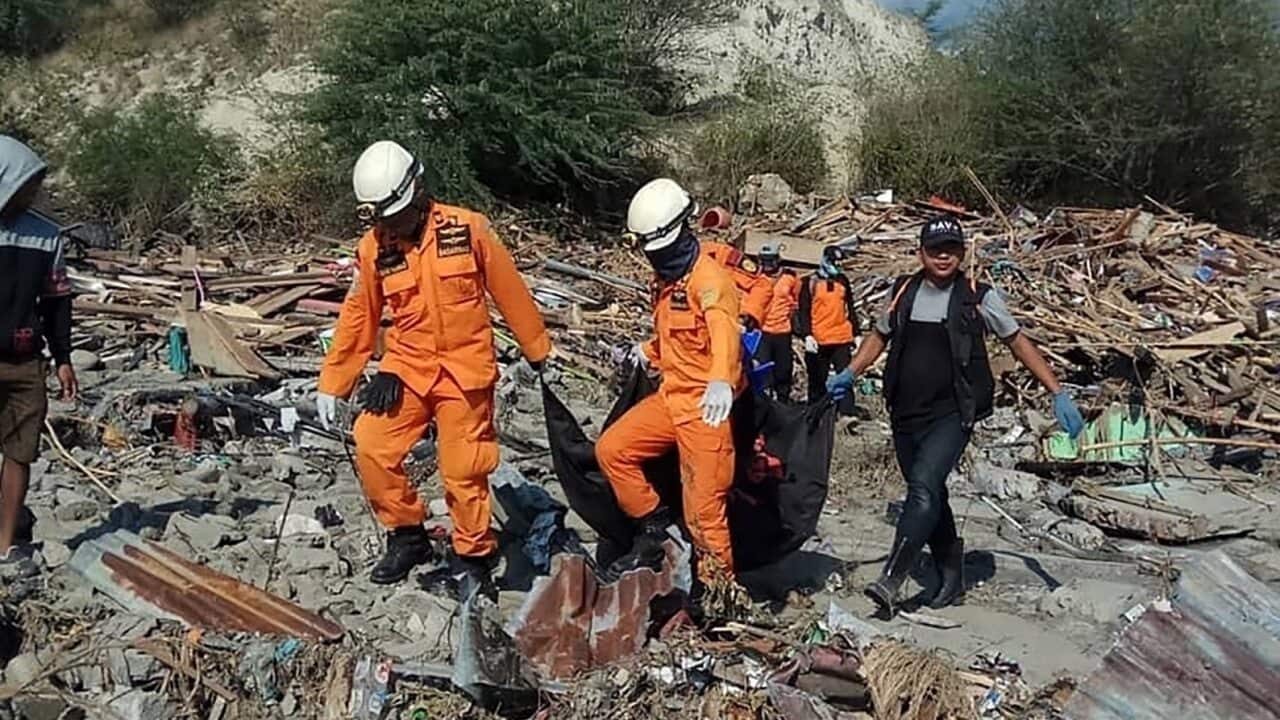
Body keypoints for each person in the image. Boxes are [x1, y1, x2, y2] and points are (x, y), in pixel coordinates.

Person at [316, 140, 552, 598]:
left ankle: (473, 557)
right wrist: (334, 382)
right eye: (384, 218)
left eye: (398, 215)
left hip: (465, 372)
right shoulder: (374, 249)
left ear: (418, 189)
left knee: (463, 469)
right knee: (372, 444)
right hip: (407, 369)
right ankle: (408, 535)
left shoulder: (469, 229)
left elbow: (510, 291)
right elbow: (359, 316)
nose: (393, 225)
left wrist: (538, 349)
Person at [827, 215, 1084, 615]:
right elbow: (879, 336)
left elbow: (1017, 341)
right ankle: (952, 575)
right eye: (935, 250)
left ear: (962, 254)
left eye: (952, 250)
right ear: (921, 253)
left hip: (953, 413)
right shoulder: (903, 291)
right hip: (904, 411)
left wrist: (1057, 391)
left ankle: (892, 579)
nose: (943, 257)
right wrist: (849, 372)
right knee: (929, 493)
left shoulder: (978, 296)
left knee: (925, 487)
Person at [596, 178, 742, 582]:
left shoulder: (709, 281)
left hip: (706, 408)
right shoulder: (665, 282)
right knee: (612, 450)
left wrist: (721, 381)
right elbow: (673, 340)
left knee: (704, 511)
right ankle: (654, 527)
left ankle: (717, 596)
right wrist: (643, 353)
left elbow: (724, 334)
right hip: (672, 397)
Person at [0, 135, 78, 562]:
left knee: (19, 453)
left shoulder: (47, 236)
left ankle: (6, 543)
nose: (35, 192)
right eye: (29, 183)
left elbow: (56, 301)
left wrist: (63, 357)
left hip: (25, 360)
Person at [796, 245, 857, 408]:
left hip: (841, 337)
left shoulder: (842, 280)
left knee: (845, 377)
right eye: (834, 261)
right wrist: (807, 335)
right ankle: (816, 413)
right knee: (817, 379)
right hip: (819, 339)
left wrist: (856, 333)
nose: (837, 265)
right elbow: (804, 311)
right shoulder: (810, 282)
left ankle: (847, 413)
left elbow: (850, 307)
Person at [756, 244, 799, 401]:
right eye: (764, 261)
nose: (767, 265)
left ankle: (783, 402)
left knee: (783, 371)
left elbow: (796, 300)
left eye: (770, 261)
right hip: (763, 331)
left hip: (783, 331)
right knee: (763, 370)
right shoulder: (756, 278)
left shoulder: (790, 278)